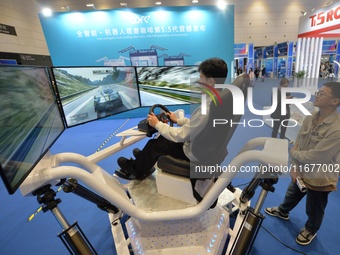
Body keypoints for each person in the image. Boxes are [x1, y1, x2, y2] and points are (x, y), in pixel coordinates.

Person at [115, 58, 228, 180]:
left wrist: (157, 124)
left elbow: (181, 135)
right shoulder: (220, 101)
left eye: (201, 77)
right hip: (203, 147)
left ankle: (136, 170)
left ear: (210, 81)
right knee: (161, 139)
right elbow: (200, 125)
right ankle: (145, 157)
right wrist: (178, 121)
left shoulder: (208, 108)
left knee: (156, 144)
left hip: (194, 152)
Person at [265, 82, 340, 246]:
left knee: (314, 207)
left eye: (322, 94)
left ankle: (310, 229)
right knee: (292, 193)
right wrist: (295, 166)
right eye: (318, 92)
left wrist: (294, 154)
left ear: (334, 101)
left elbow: (318, 156)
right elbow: (298, 141)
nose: (317, 95)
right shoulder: (310, 118)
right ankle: (283, 211)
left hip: (321, 176)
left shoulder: (336, 128)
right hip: (301, 170)